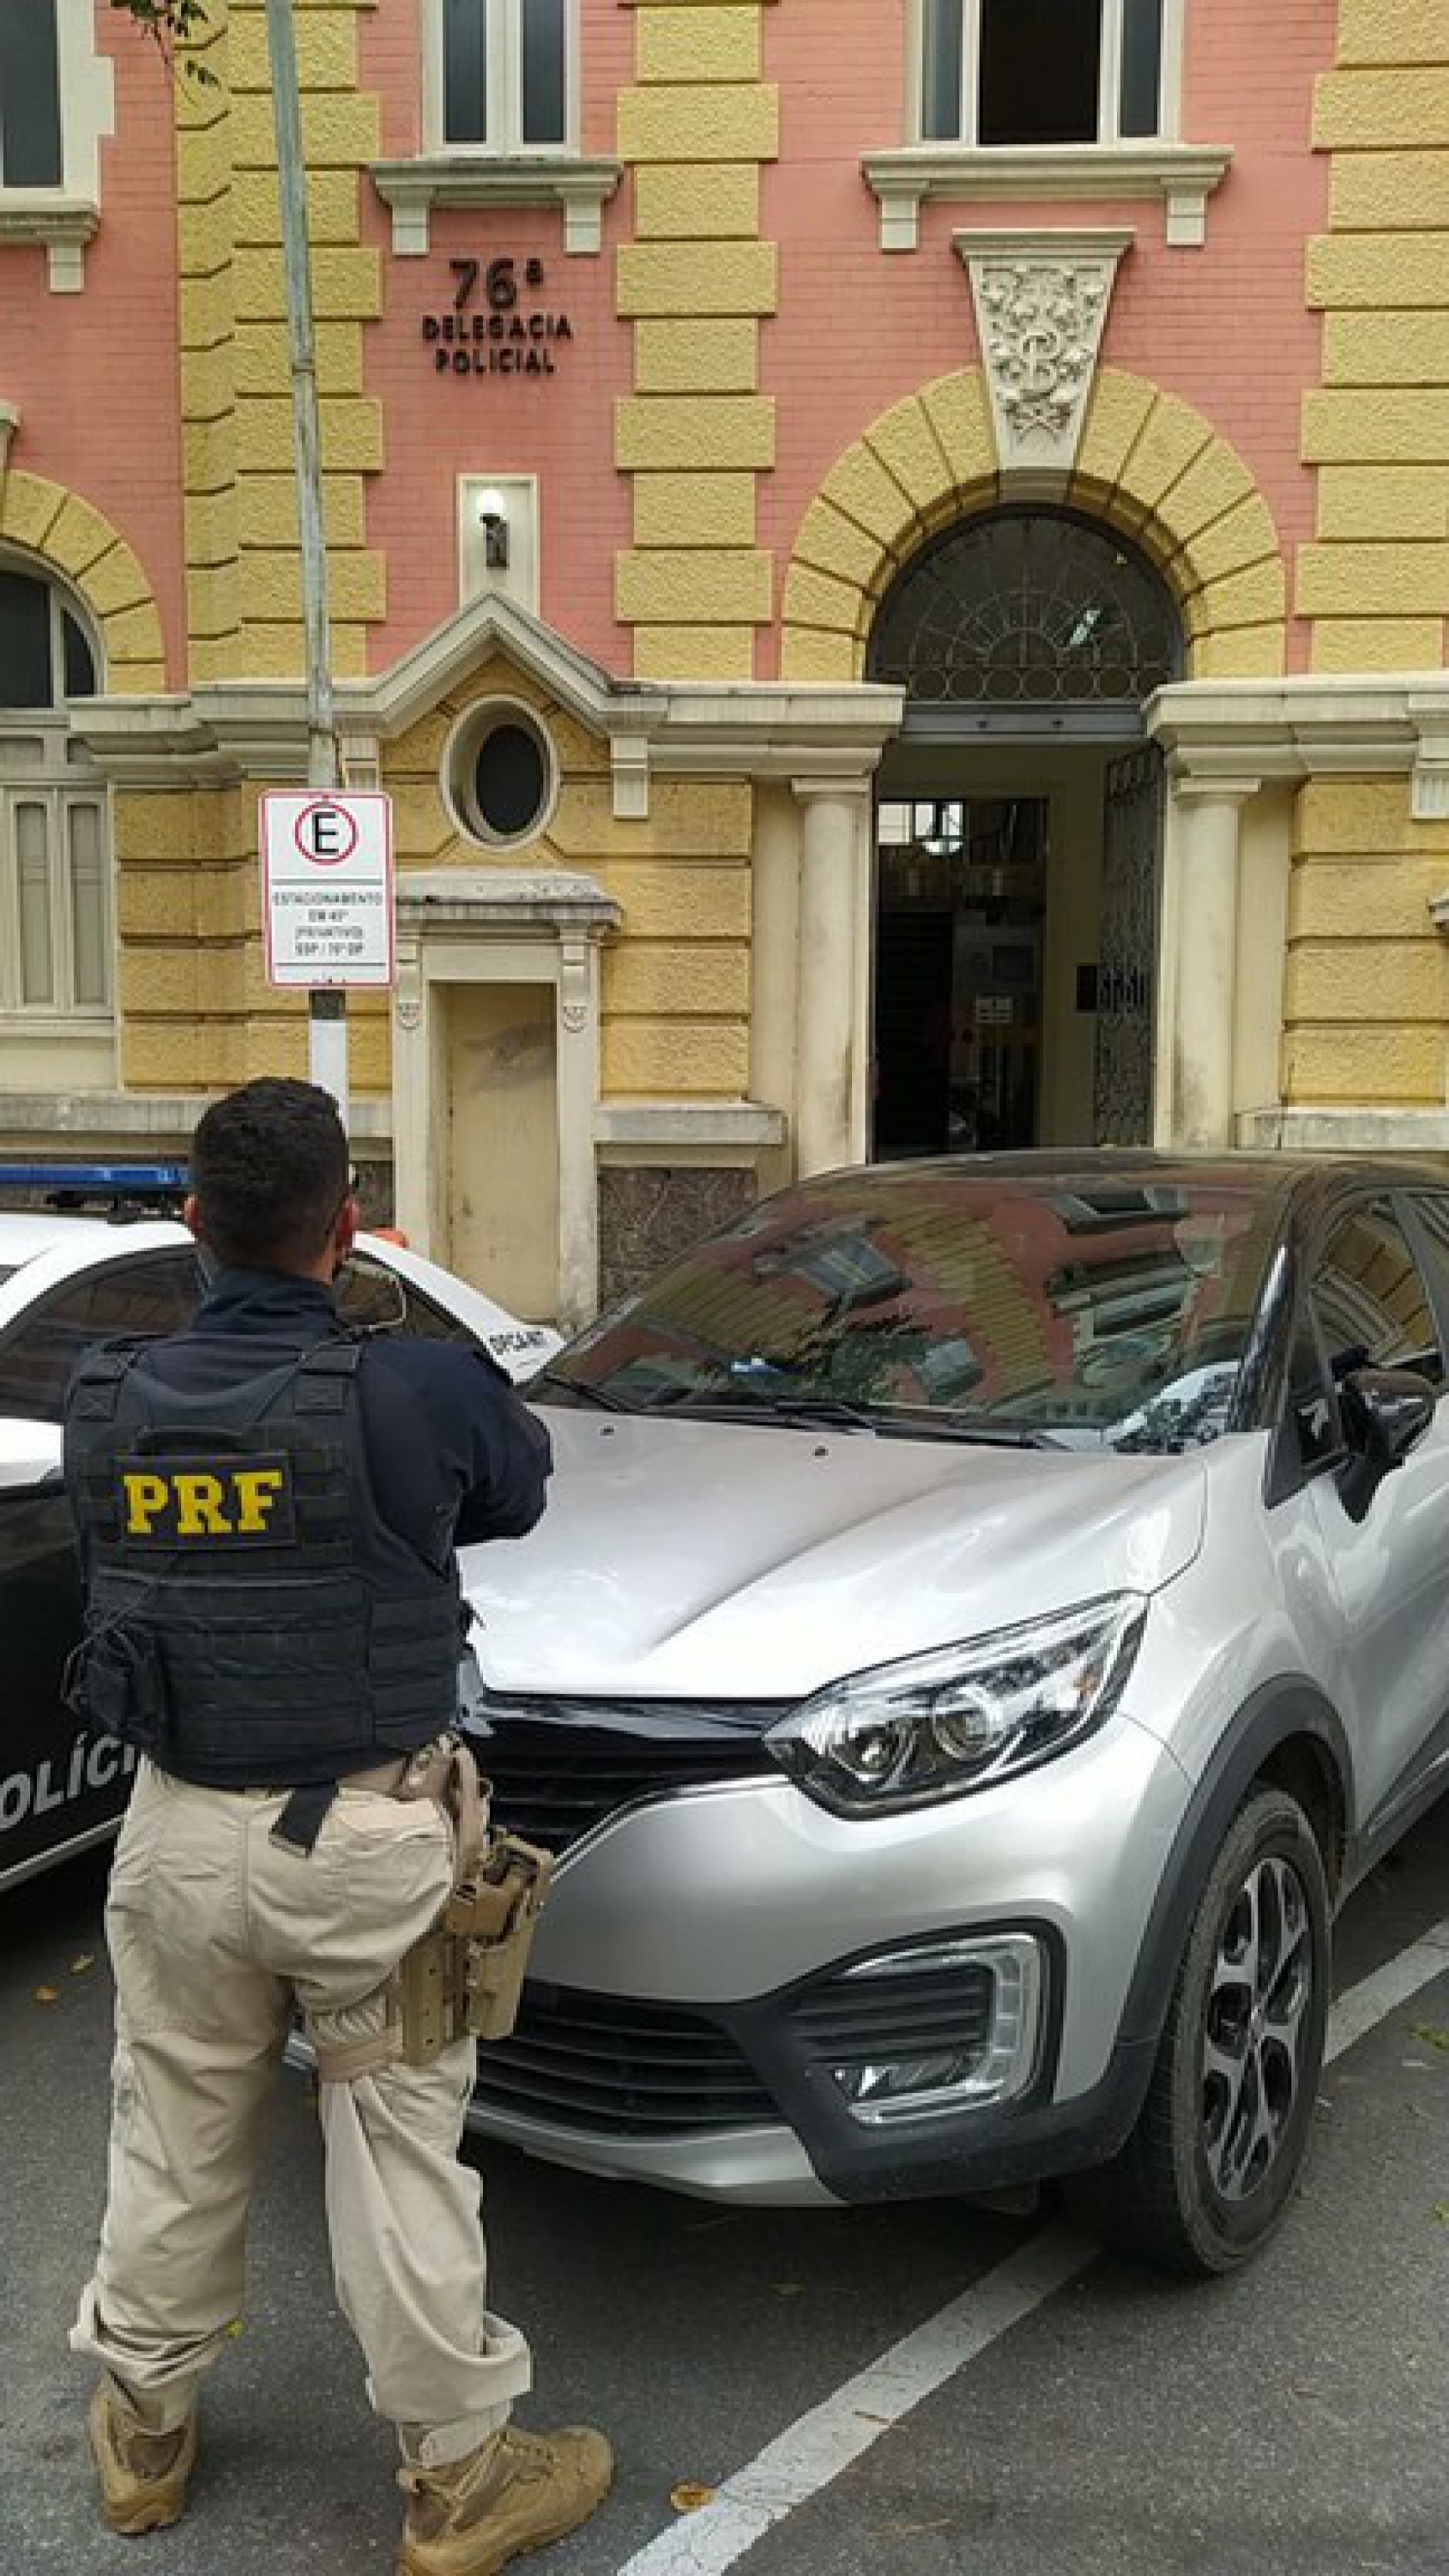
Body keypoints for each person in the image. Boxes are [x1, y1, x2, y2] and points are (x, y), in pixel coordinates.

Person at [61, 1077, 612, 2575]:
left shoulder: (108, 1393)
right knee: (396, 2144)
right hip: (366, 1841)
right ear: (348, 1228)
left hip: (176, 1831)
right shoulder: (414, 1387)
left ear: (193, 1222)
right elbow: (517, 1491)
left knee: (171, 2126)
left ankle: (143, 2436)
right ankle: (457, 2476)